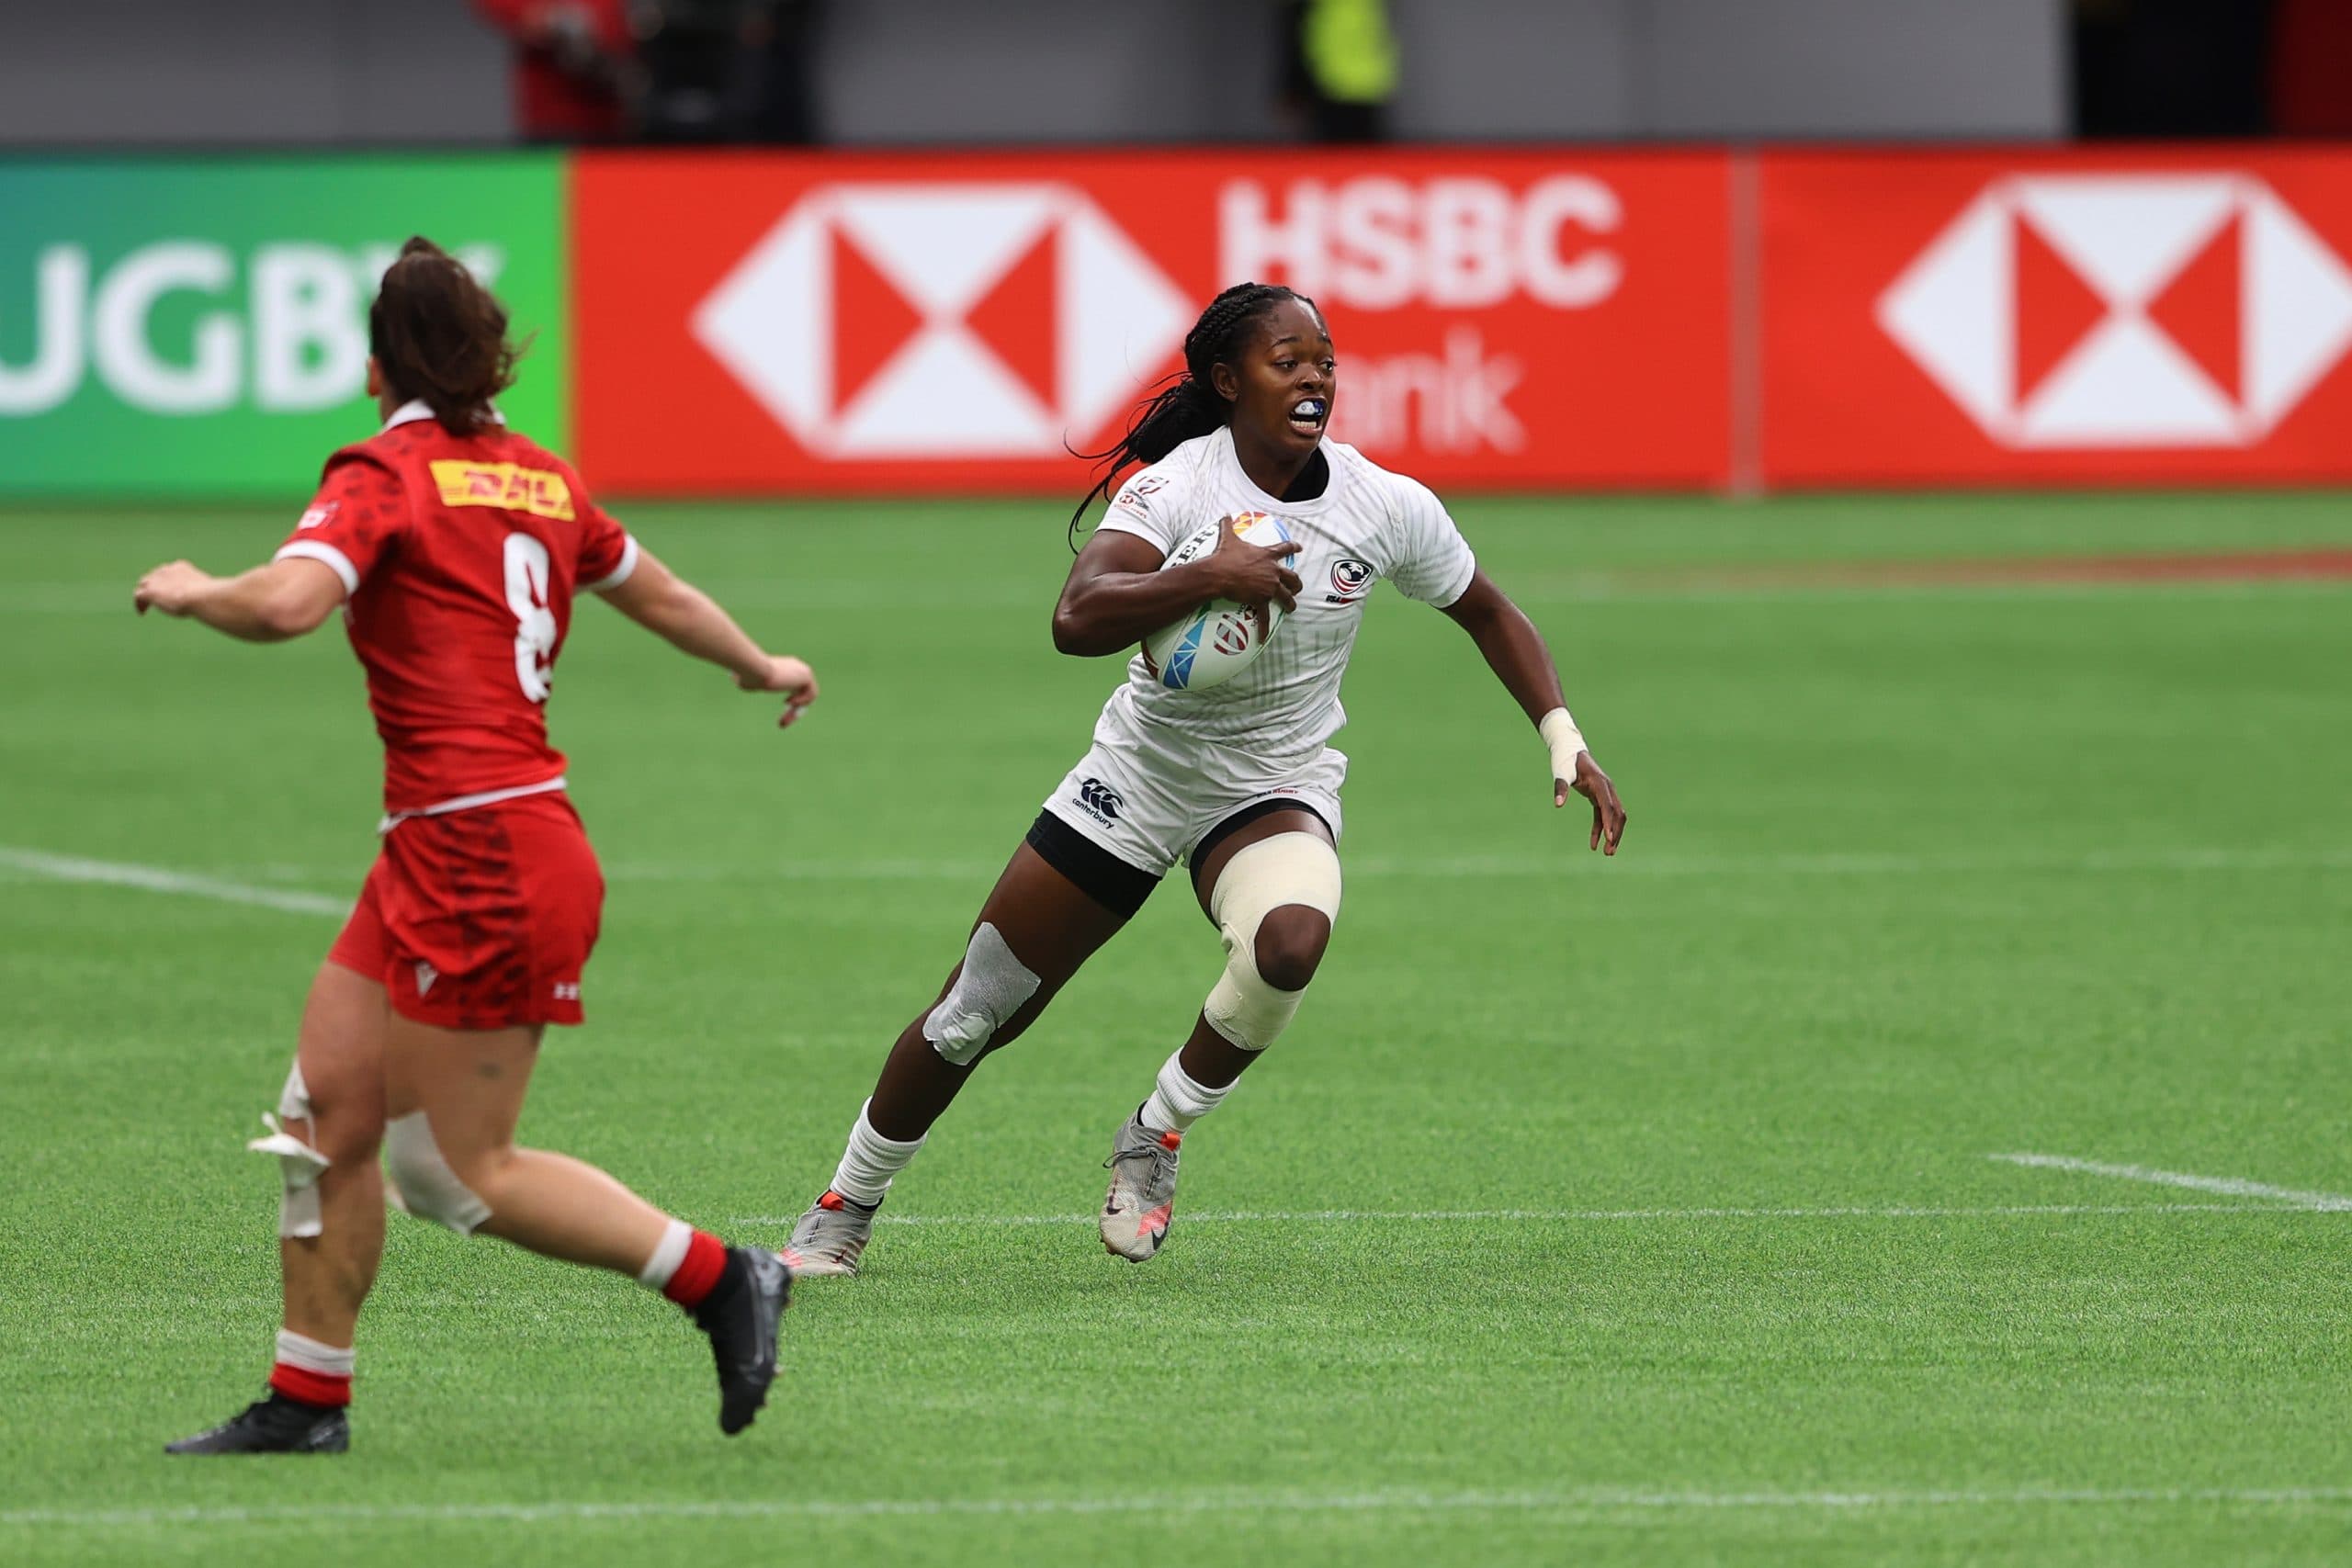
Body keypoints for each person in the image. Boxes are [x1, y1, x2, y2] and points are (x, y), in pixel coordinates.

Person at [783, 281, 1625, 1275]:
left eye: (1325, 359)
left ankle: (1156, 1132)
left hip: (1273, 780)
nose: (1315, 375)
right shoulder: (1176, 488)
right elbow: (1076, 618)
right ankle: (846, 1203)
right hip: (1139, 777)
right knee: (977, 1010)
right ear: (1228, 381)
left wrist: (1561, 733)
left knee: (1290, 943)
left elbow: (1487, 609)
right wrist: (1206, 575)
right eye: (1288, 359)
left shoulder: (1384, 504)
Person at [137, 238, 818, 1453]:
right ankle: (306, 1402)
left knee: (457, 1174)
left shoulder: (383, 469)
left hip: (486, 857)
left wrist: (196, 586)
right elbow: (655, 589)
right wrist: (757, 661)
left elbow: (291, 603)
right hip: (442, 845)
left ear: (373, 365)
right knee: (321, 1117)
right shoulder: (542, 480)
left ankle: (721, 1275)